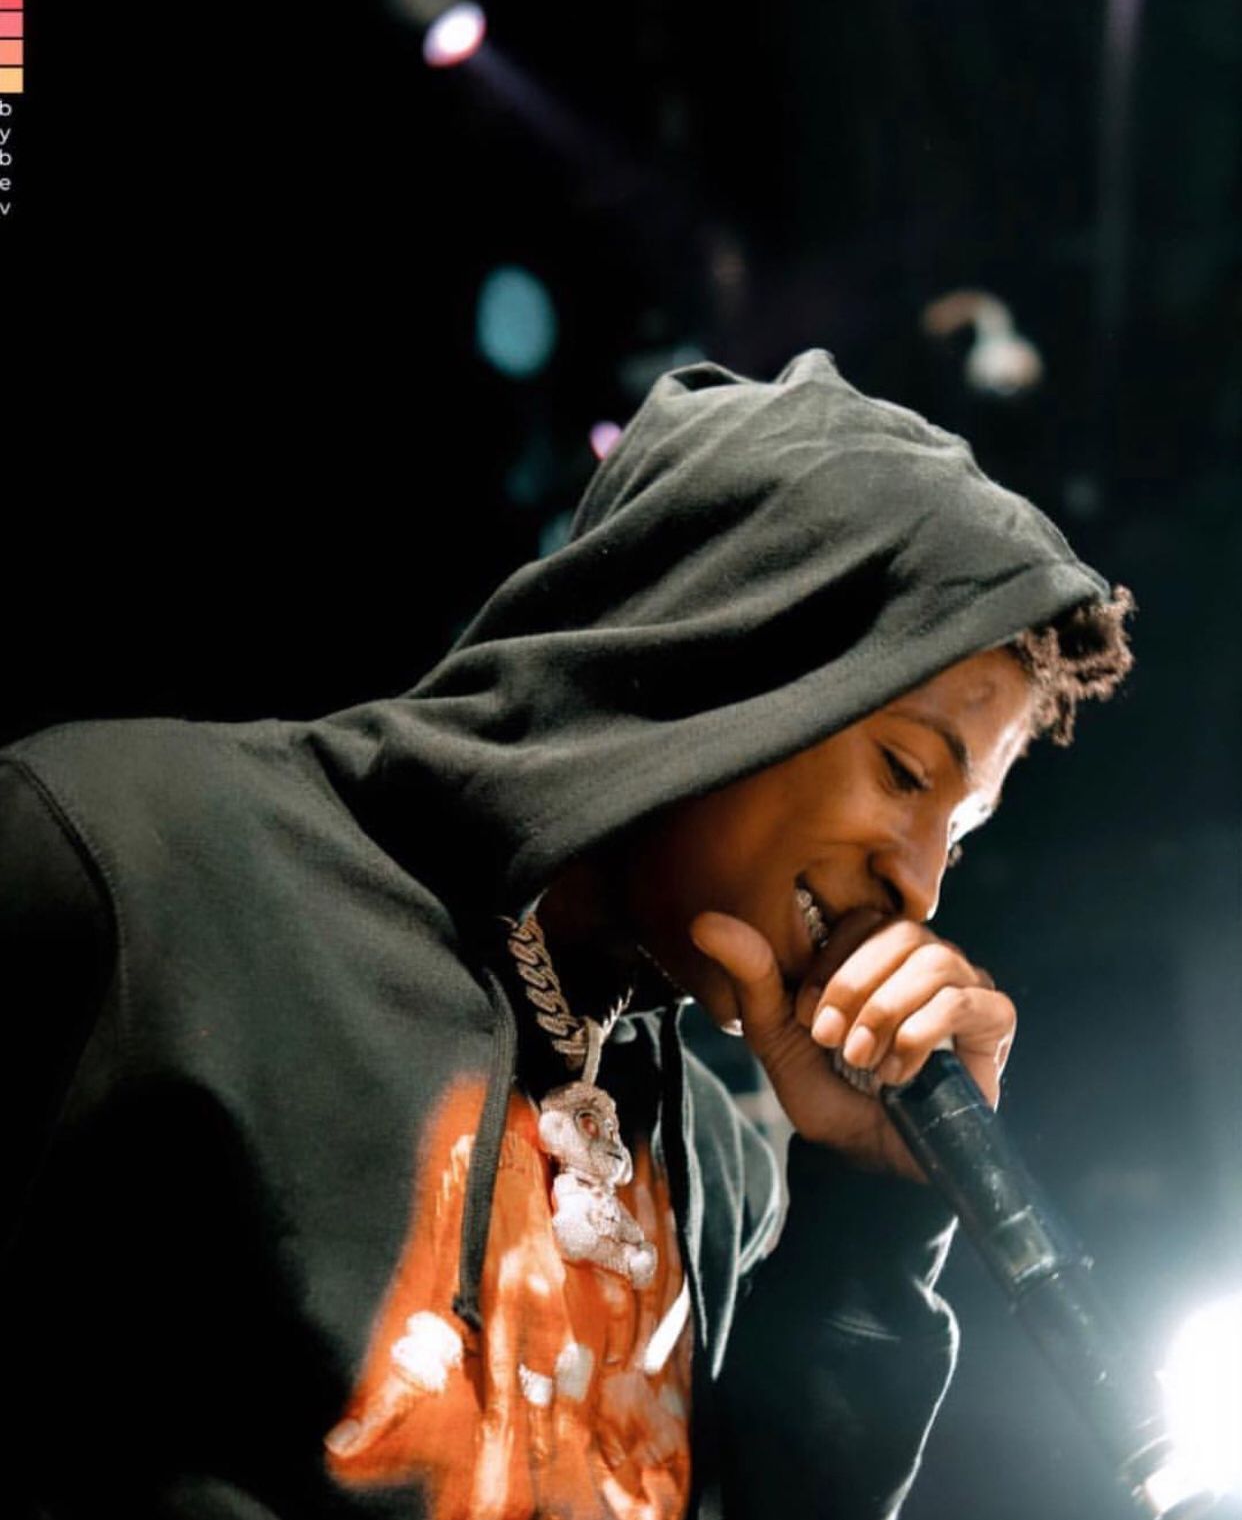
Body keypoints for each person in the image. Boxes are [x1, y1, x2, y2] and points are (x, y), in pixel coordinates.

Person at [0, 350, 1133, 1520]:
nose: (919, 886)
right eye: (904, 771)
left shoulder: (716, 1168)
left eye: (959, 835)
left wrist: (871, 1219)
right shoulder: (136, 866)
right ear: (732, 653)